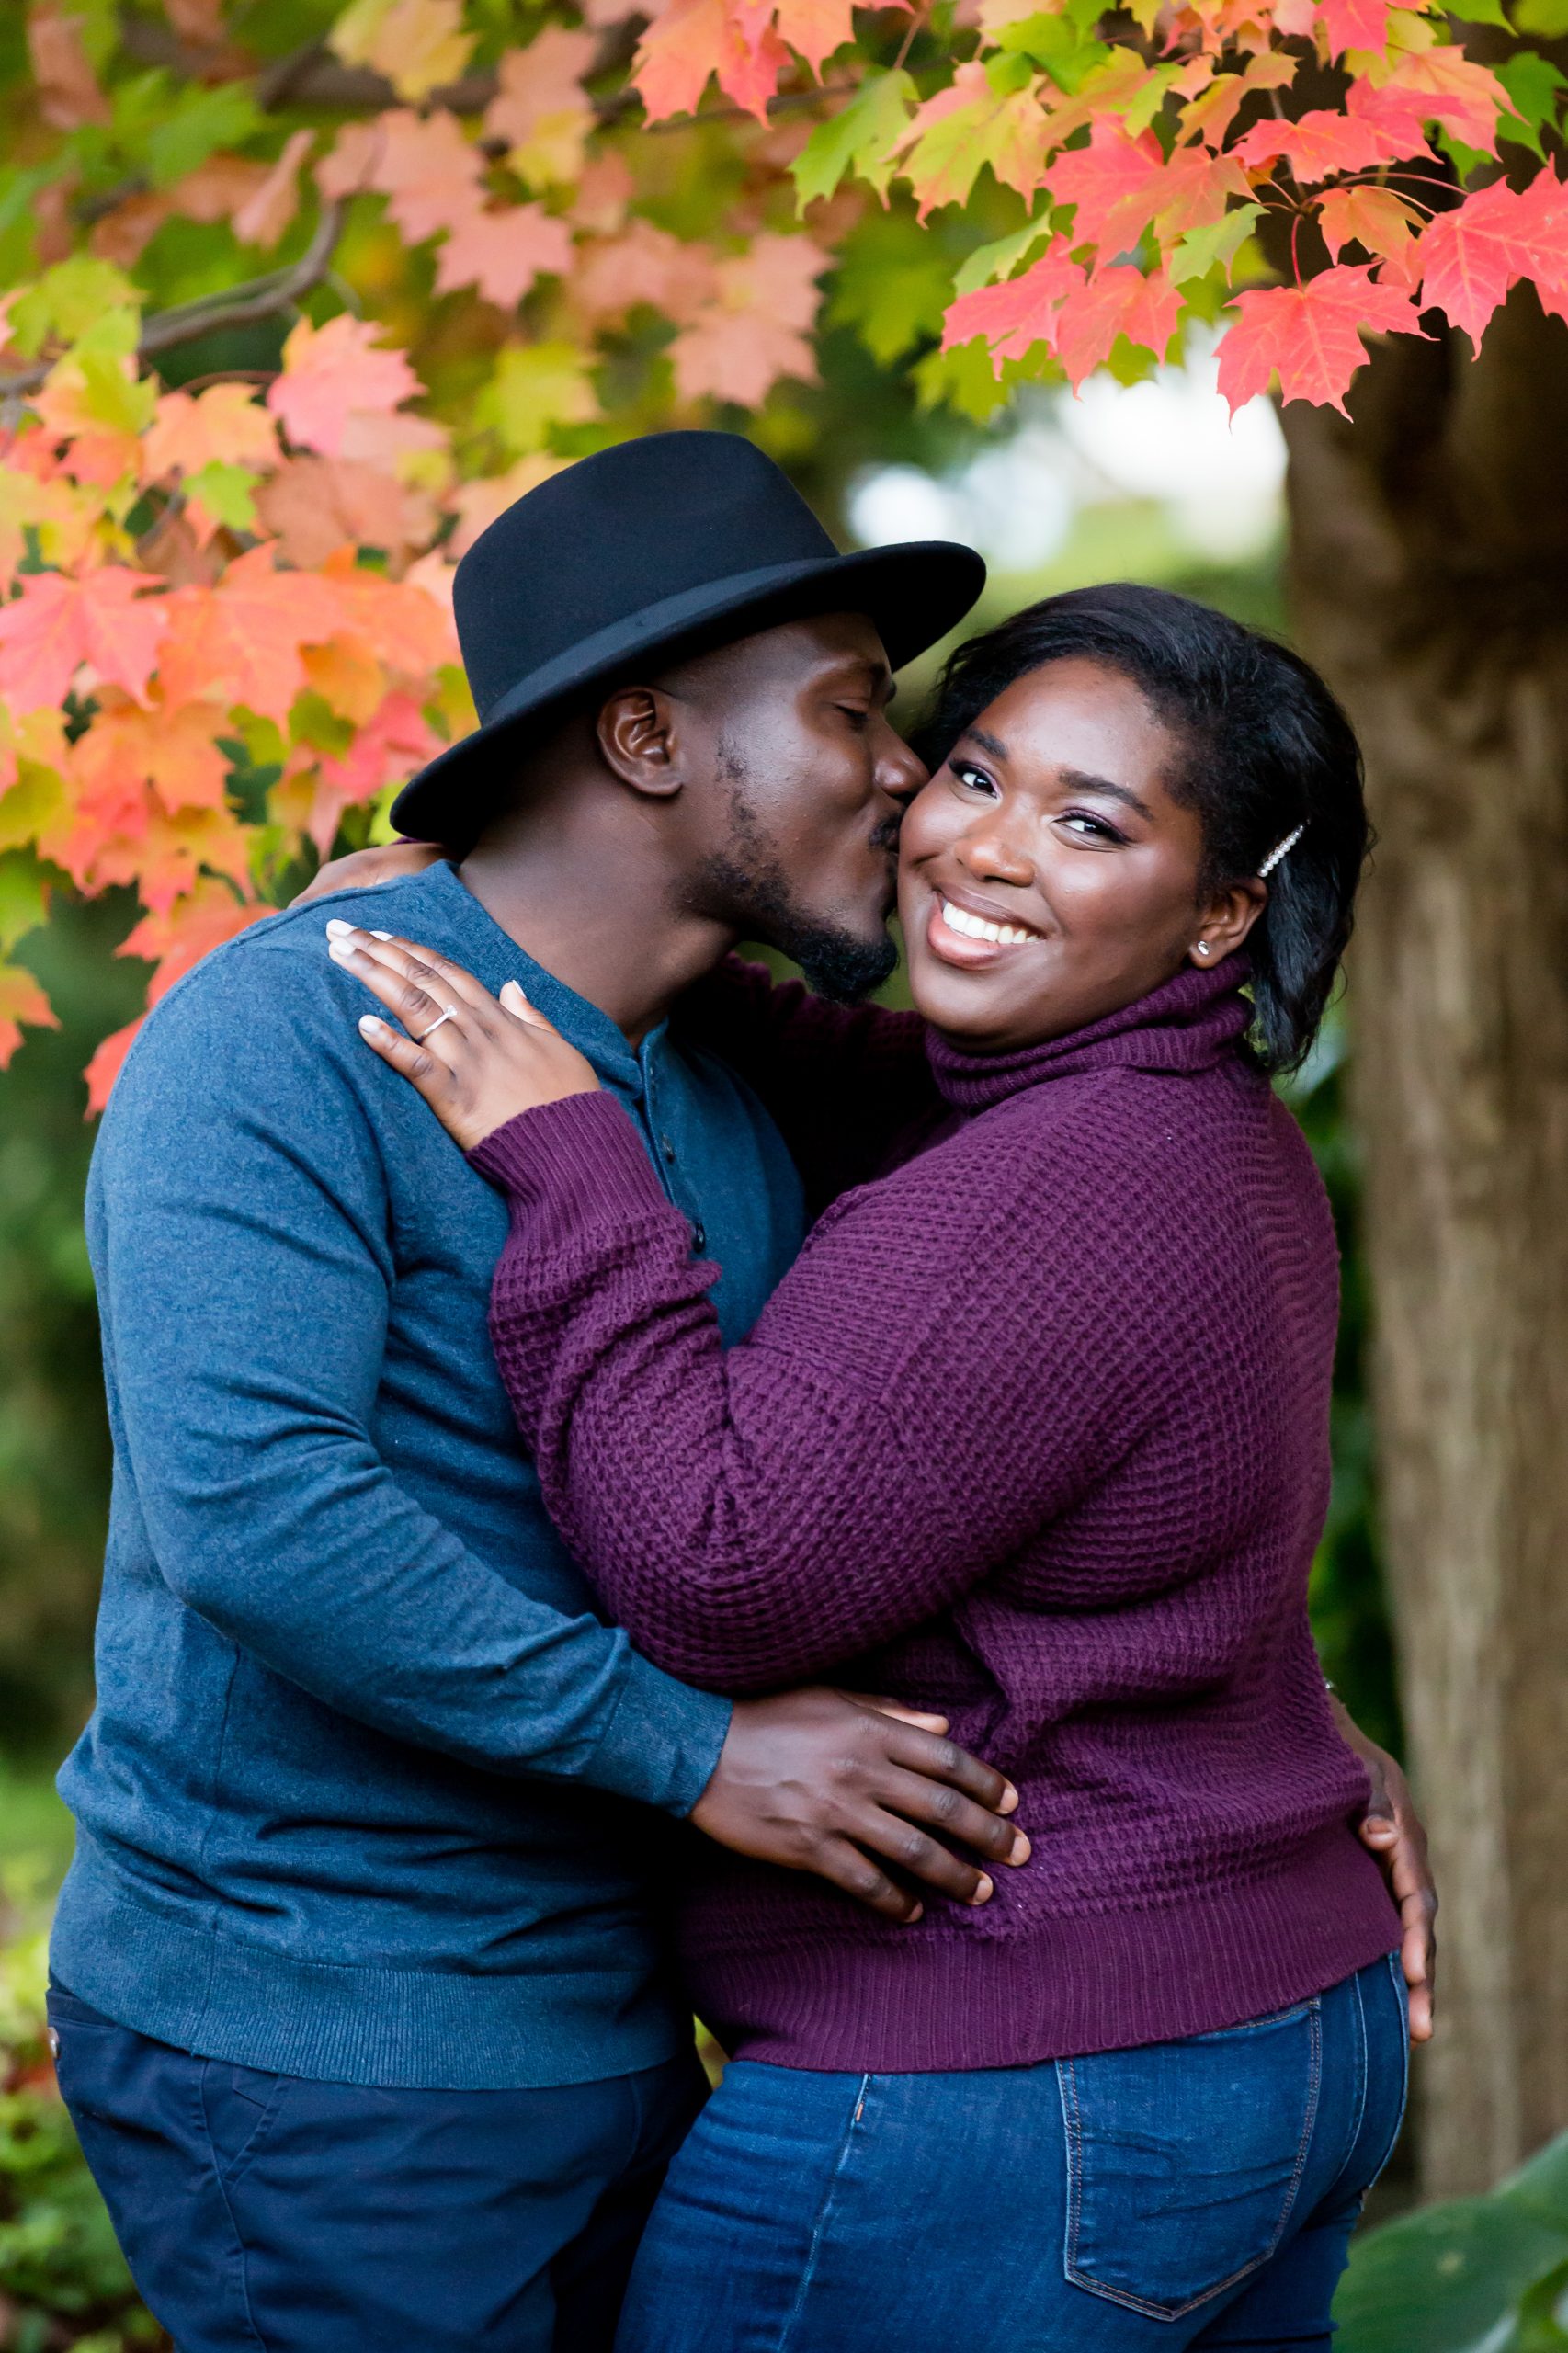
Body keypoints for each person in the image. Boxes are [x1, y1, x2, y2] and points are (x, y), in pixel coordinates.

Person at [324, 580, 1425, 2349]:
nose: (981, 851)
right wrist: (560, 945)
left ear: (1226, 908)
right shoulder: (1180, 1120)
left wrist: (577, 1165)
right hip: (1257, 2016)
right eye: (972, 776)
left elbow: (717, 1567)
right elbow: (881, 1074)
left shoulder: (1060, 1190)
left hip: (1009, 2079)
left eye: (1086, 823)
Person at [47, 433, 1038, 2353]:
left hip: (609, 2022)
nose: (910, 774)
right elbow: (264, 1517)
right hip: (318, 2048)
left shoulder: (728, 1090)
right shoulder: (281, 1038)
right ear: (652, 741)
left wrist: (1289, 1737)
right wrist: (702, 1752)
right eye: (851, 710)